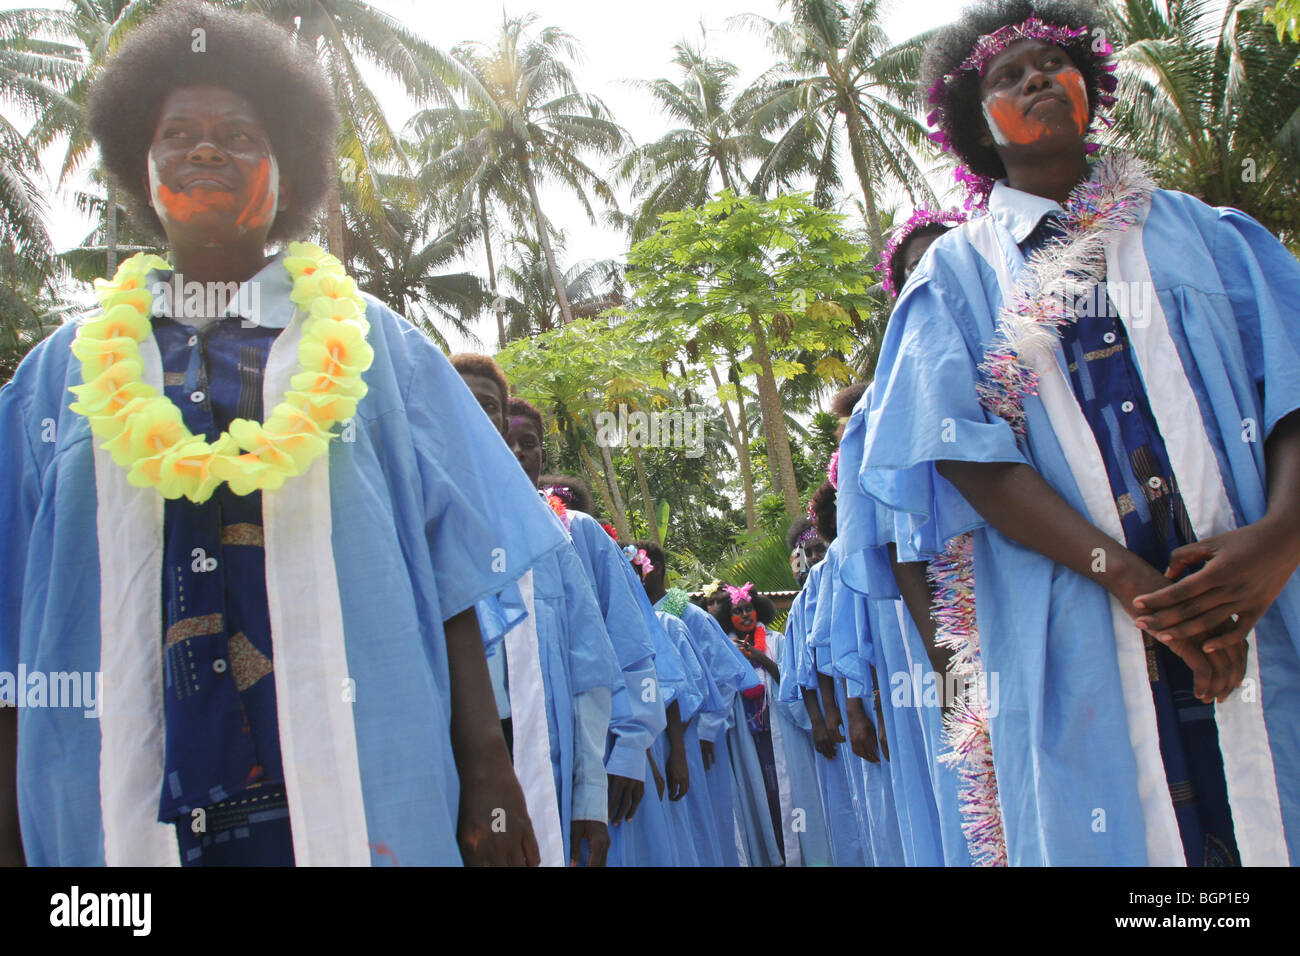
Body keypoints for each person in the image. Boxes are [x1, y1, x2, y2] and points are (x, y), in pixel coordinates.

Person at [0, 1, 557, 866]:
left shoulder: (378, 350)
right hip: (116, 818)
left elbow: (452, 584)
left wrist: (489, 768)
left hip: (361, 791)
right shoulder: (57, 375)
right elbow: (13, 627)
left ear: (288, 175)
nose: (206, 148)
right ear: (140, 173)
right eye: (175, 133)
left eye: (240, 135)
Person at [857, 0, 1300, 865]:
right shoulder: (956, 277)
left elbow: (1289, 392)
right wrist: (1127, 577)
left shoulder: (1209, 236)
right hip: (1076, 616)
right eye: (1004, 75)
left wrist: (1281, 539)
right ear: (975, 126)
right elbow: (967, 456)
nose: (1033, 78)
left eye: (1051, 61)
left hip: (1261, 593)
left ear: (1090, 84)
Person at [452, 354, 622, 867]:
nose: (477, 420)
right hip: (450, 769)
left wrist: (590, 796)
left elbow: (588, 671)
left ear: (504, 422)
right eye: (461, 404)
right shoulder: (414, 518)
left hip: (535, 763)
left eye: (488, 407)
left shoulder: (548, 538)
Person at [502, 397, 675, 866]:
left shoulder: (578, 534)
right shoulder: (470, 530)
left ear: (543, 455)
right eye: (504, 437)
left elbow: (631, 647)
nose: (517, 451)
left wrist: (630, 750)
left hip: (597, 754)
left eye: (529, 443)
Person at [710, 582, 786, 866]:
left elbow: (789, 683)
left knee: (786, 798)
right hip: (747, 742)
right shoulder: (724, 650)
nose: (744, 615)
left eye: (748, 608)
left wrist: (759, 658)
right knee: (760, 800)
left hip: (779, 736)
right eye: (737, 611)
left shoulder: (776, 642)